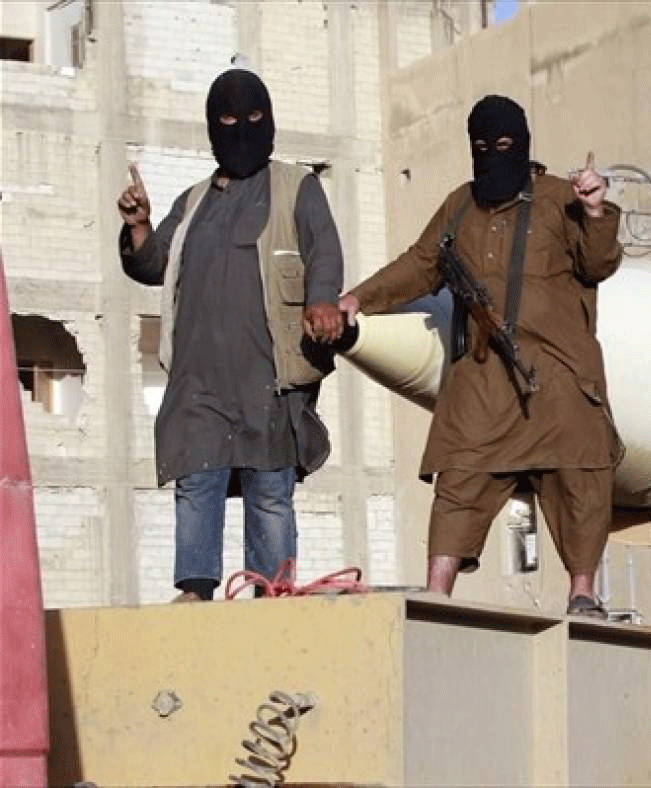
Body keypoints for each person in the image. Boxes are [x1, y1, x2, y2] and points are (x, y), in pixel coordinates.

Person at [338, 95, 622, 617]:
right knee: (457, 470)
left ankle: (582, 591)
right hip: (486, 369)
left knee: (580, 467)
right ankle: (436, 594)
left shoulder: (561, 199)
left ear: (524, 145)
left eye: (505, 145)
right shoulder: (461, 206)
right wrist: (358, 298)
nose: (493, 154)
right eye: (482, 146)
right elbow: (421, 263)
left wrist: (595, 210)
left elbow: (598, 263)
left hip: (558, 368)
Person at [118, 69, 345, 602]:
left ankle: (272, 592)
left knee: (270, 489)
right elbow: (153, 264)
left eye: (253, 117)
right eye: (227, 119)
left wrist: (321, 300)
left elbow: (324, 251)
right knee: (196, 478)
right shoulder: (194, 201)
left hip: (267, 372)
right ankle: (196, 589)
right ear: (210, 127)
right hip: (198, 378)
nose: (241, 128)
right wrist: (139, 226)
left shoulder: (296, 186)